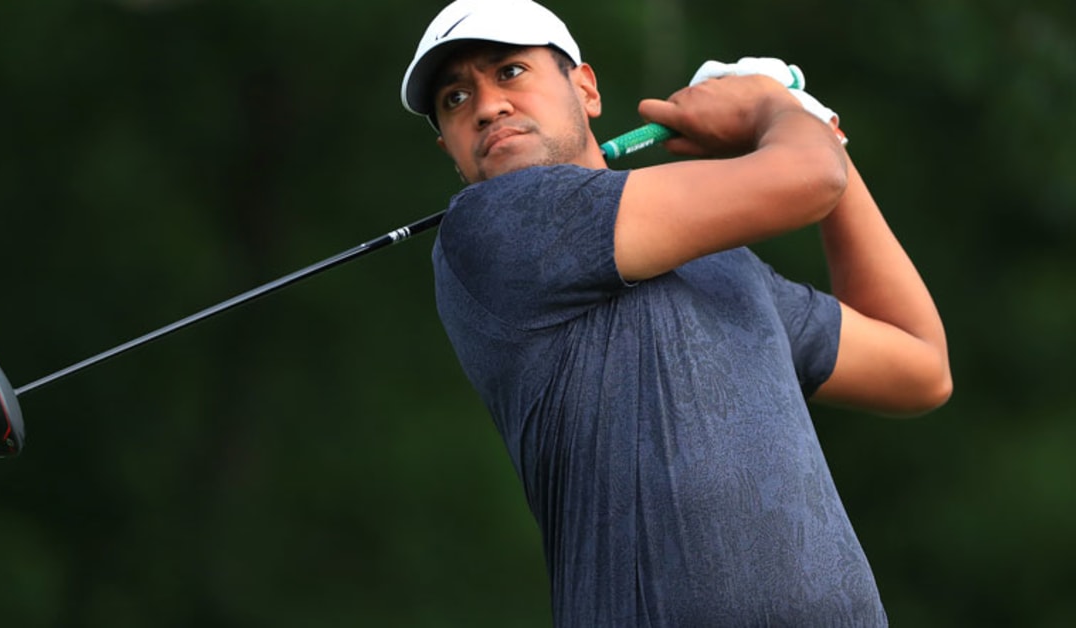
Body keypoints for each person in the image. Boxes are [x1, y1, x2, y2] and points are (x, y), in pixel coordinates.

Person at [400, 0, 952, 625]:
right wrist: (777, 109)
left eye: (509, 72)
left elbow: (919, 366)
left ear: (585, 89)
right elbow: (808, 177)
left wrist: (820, 134)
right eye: (454, 99)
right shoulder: (495, 226)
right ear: (450, 148)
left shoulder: (725, 266)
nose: (486, 105)